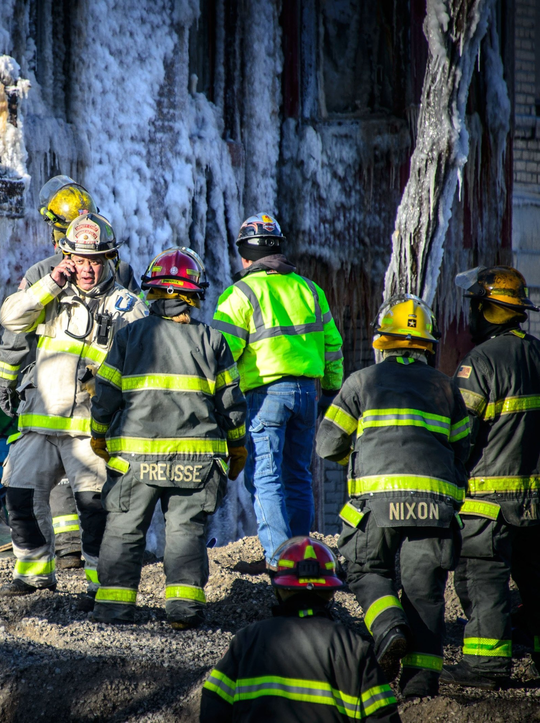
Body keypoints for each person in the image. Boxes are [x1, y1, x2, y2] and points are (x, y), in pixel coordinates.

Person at [316, 294, 470, 698]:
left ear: (382, 341)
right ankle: (420, 684)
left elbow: (326, 445)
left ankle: (389, 628)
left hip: (376, 504)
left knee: (366, 570)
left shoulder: (361, 382)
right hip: (436, 507)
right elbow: (463, 451)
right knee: (425, 591)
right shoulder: (447, 389)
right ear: (427, 345)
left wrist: (362, 450)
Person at [89, 248, 247, 628]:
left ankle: (113, 609)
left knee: (124, 531)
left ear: (151, 291)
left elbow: (105, 395)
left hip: (134, 463)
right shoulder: (213, 341)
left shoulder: (128, 338)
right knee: (185, 534)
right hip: (196, 464)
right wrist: (237, 444)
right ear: (194, 295)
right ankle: (183, 610)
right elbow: (231, 404)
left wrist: (98, 435)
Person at [0, 212, 147, 596]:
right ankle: (33, 575)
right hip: (40, 424)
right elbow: (11, 318)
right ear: (66, 257)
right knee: (20, 496)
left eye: (96, 261)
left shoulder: (126, 305)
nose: (88, 269)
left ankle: (100, 588)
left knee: (95, 511)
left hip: (88, 430)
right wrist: (50, 284)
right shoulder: (50, 292)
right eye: (79, 260)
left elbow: (145, 363)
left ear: (110, 259)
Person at [212, 213, 344, 574]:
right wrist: (331, 389)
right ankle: (304, 552)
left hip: (265, 396)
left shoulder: (241, 293)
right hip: (307, 394)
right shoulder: (310, 289)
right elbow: (333, 345)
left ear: (245, 256)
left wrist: (214, 397)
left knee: (266, 476)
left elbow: (220, 353)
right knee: (299, 474)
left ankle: (278, 558)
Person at [442, 265, 540, 689]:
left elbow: (458, 431)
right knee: (536, 583)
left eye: (474, 307)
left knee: (481, 578)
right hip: (536, 502)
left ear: (487, 311)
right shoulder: (538, 353)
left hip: (488, 502)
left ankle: (485, 667)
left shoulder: (479, 363)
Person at [200, 536, 400, 722]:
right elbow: (382, 716)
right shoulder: (353, 648)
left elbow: (212, 706)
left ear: (279, 587)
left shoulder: (246, 641)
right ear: (330, 591)